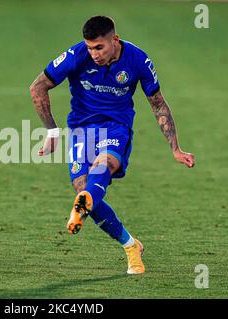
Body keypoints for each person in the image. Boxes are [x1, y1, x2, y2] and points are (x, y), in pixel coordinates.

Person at [29, 16, 195, 274]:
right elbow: (37, 87)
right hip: (81, 130)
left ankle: (82, 205)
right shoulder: (76, 55)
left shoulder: (138, 60)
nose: (93, 54)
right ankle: (131, 245)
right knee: (84, 189)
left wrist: (175, 147)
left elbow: (158, 103)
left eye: (99, 47)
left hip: (116, 127)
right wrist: (51, 130)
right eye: (89, 47)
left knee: (103, 165)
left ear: (114, 40)